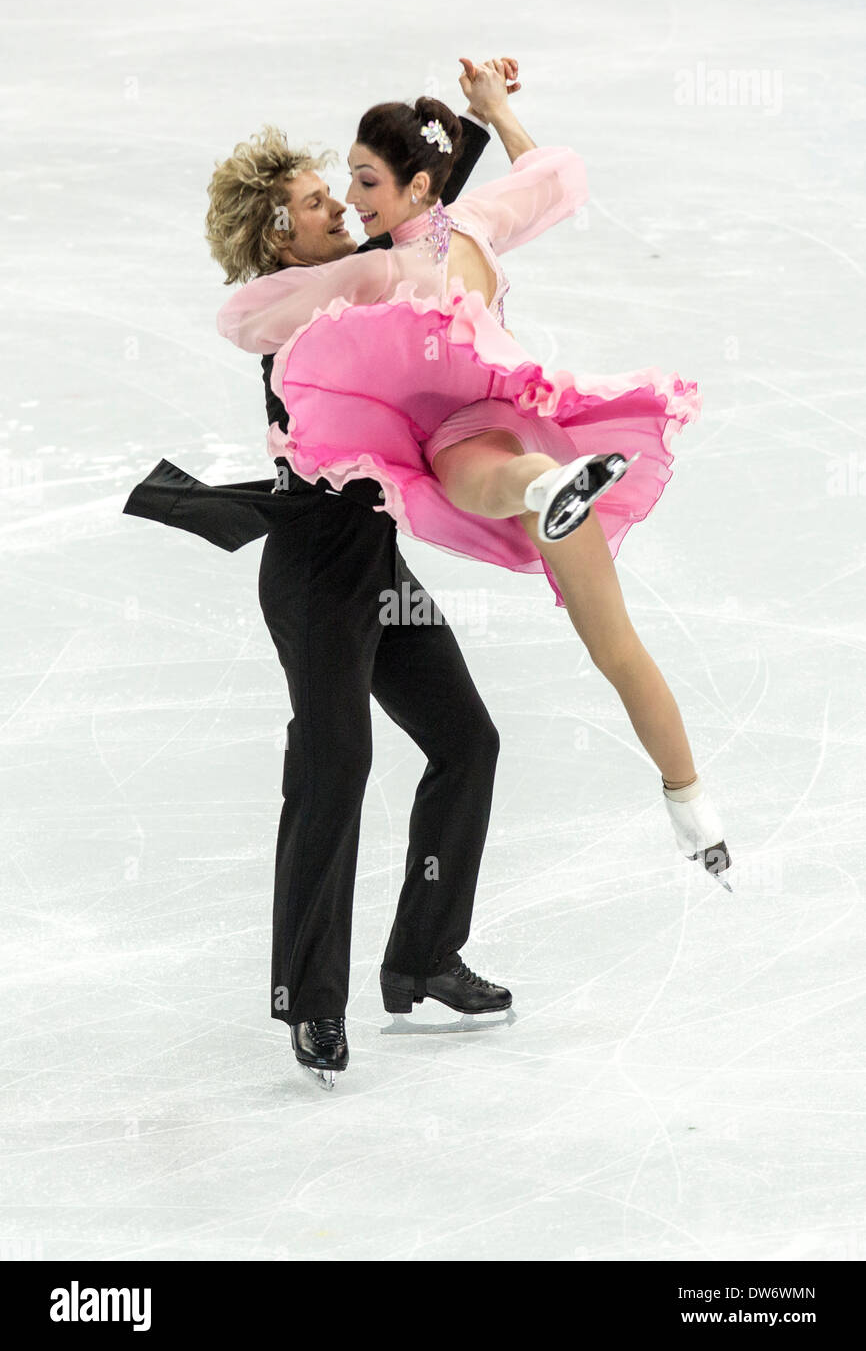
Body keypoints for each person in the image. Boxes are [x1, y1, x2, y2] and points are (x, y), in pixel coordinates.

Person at [214, 61, 735, 910]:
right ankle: (694, 807)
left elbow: (244, 321)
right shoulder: (479, 221)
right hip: (534, 420)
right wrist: (496, 110)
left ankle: (547, 490)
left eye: (364, 179)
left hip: (471, 441)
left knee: (476, 478)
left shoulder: (375, 272)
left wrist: (320, 287)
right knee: (617, 648)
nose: (351, 199)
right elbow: (556, 175)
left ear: (415, 180)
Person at [126, 60, 528, 1090]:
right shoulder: (294, 310)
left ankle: (422, 955)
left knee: (464, 742)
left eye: (343, 189)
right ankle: (311, 1003)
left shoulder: (354, 272)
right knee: (333, 766)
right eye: (317, 202)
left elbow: (417, 230)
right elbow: (400, 258)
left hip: (373, 566)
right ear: (279, 236)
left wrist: (455, 126)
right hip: (312, 576)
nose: (341, 206)